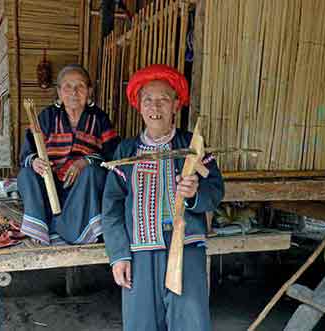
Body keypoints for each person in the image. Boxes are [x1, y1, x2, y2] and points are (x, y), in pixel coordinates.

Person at [102, 64, 224, 331]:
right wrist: (119, 255)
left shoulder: (193, 146)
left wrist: (194, 194)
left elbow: (214, 191)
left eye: (163, 99)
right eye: (148, 100)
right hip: (139, 252)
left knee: (190, 321)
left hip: (187, 246)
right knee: (141, 323)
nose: (155, 107)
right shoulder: (126, 152)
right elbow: (111, 208)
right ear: (139, 106)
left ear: (176, 105)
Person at [18, 64, 120, 245]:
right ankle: (41, 230)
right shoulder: (46, 117)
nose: (74, 92)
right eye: (67, 87)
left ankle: (76, 231)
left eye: (80, 86)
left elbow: (113, 155)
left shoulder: (99, 118)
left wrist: (86, 162)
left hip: (82, 188)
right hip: (49, 187)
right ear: (58, 91)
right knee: (25, 174)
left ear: (89, 91)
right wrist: (35, 162)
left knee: (94, 173)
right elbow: (27, 152)